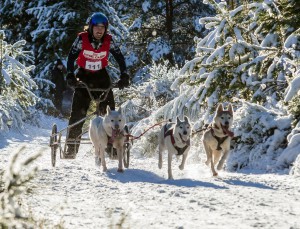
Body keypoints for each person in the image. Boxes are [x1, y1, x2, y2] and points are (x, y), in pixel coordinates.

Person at [65, 12, 130, 158]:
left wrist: (124, 75)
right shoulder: (81, 39)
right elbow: (71, 57)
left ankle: (112, 149)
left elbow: (119, 57)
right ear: (91, 27)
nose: (99, 30)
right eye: (97, 27)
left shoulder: (109, 40)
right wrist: (70, 74)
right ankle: (71, 149)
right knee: (77, 115)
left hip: (102, 77)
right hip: (83, 77)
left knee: (110, 115)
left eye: (103, 27)